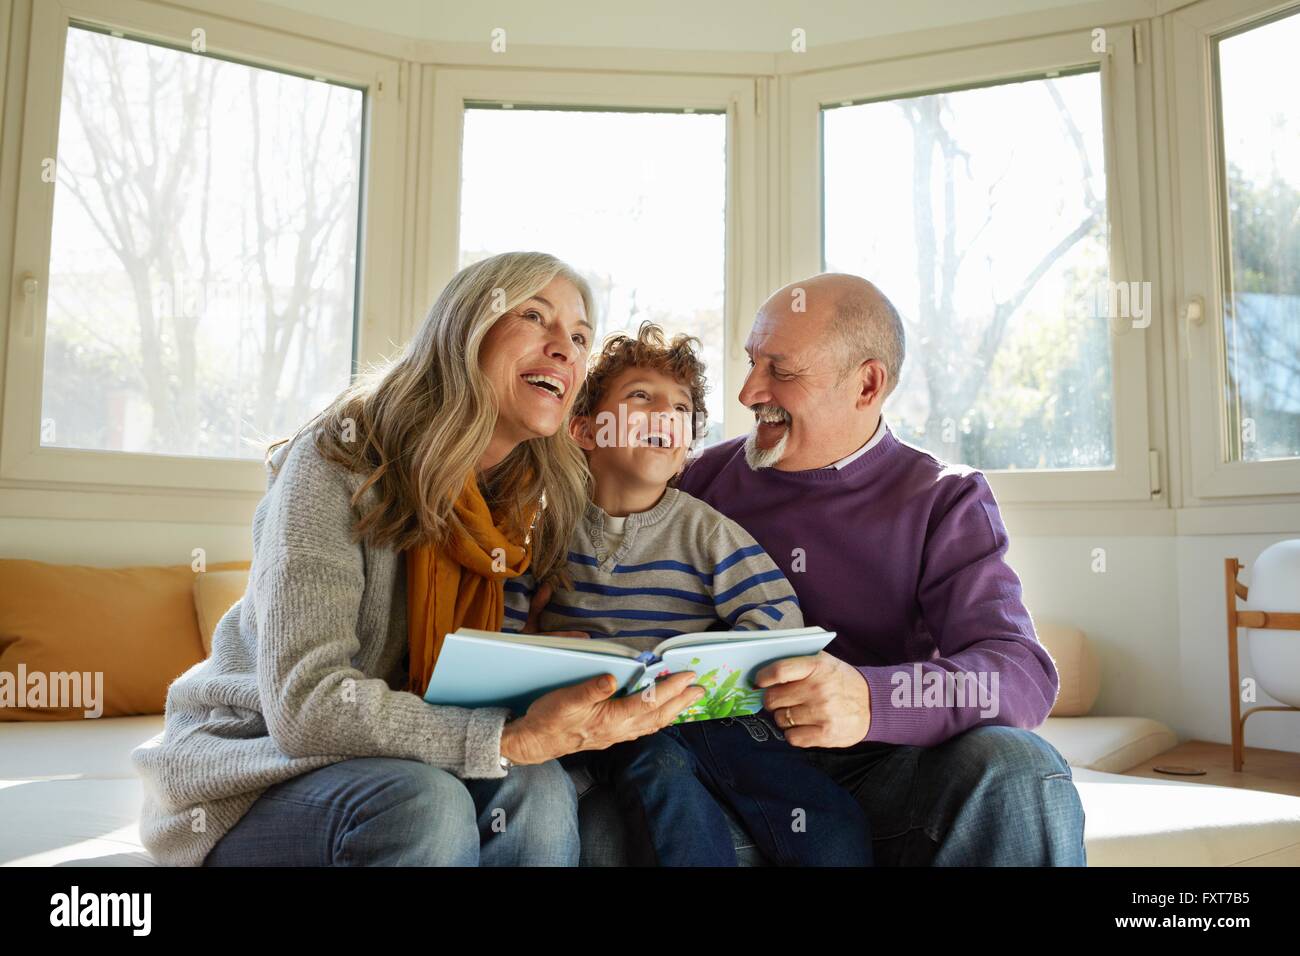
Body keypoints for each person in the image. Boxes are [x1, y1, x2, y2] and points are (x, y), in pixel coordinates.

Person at [130, 252, 705, 867]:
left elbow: (481, 679)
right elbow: (308, 706)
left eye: (580, 335)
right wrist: (509, 737)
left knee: (538, 789)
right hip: (255, 771)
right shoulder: (336, 463)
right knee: (427, 801)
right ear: (465, 328)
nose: (565, 347)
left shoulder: (526, 503)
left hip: (406, 757)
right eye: (534, 316)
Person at [676, 273, 1086, 866]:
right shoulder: (698, 480)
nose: (747, 393)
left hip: (887, 767)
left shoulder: (944, 498)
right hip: (730, 773)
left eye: (780, 371)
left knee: (1021, 767)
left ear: (867, 384)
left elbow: (1018, 673)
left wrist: (871, 701)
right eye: (750, 363)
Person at [507, 322, 872, 866]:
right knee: (661, 771)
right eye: (640, 397)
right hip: (612, 718)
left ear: (685, 450)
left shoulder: (707, 530)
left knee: (809, 804)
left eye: (680, 409)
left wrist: (710, 666)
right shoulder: (544, 529)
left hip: (708, 710)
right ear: (583, 430)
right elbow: (505, 628)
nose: (665, 415)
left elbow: (775, 614)